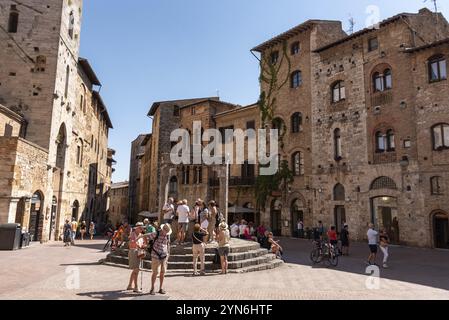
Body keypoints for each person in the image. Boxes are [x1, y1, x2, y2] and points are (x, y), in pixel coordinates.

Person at [140, 223, 172, 295]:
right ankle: (152, 288)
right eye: (165, 231)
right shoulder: (156, 233)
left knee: (163, 272)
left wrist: (168, 253)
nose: (166, 233)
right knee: (155, 272)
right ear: (162, 229)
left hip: (164, 255)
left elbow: (168, 244)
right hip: (155, 255)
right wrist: (144, 243)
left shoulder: (167, 235)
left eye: (167, 231)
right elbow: (146, 236)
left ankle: (161, 288)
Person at [126, 222, 145, 293]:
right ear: (136, 228)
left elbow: (142, 244)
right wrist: (138, 239)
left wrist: (144, 246)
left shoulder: (141, 235)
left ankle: (130, 285)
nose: (141, 229)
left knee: (135, 270)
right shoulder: (132, 234)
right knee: (136, 270)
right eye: (140, 228)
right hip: (133, 252)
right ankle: (136, 287)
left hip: (139, 252)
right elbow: (131, 243)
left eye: (142, 228)